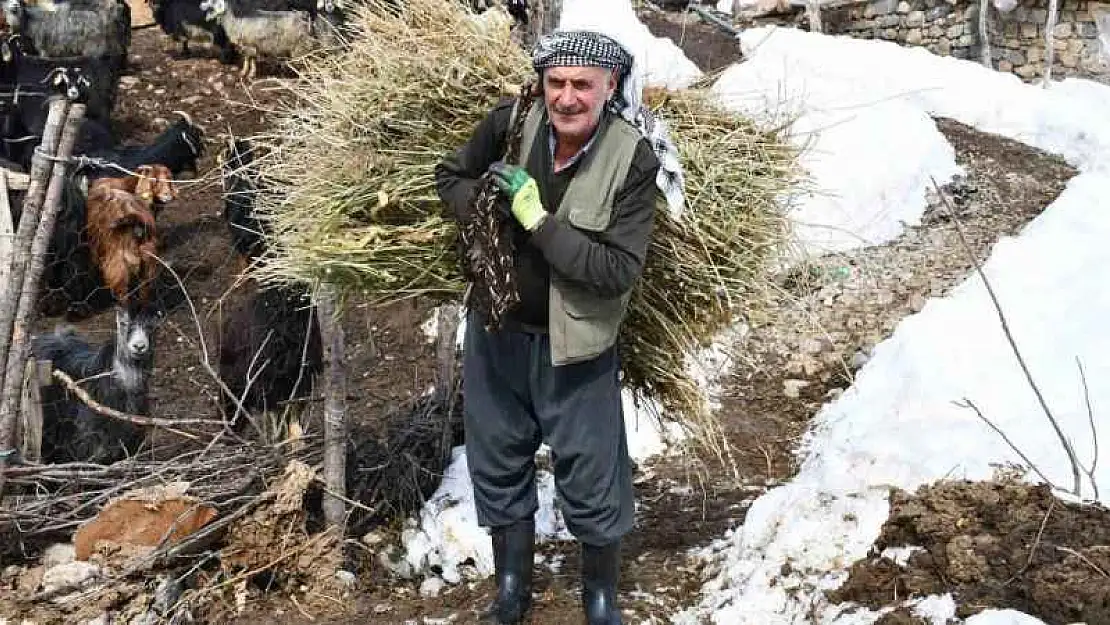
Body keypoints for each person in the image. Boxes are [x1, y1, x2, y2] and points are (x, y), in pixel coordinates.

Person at [435, 30, 683, 625]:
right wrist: (485, 208)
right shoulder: (510, 123)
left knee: (592, 470)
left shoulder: (632, 159)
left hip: (578, 347)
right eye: (556, 83)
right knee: (497, 461)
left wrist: (538, 222)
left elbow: (615, 270)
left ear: (610, 87)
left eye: (582, 85)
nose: (567, 98)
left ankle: (599, 598)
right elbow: (450, 178)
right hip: (498, 334)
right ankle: (512, 590)